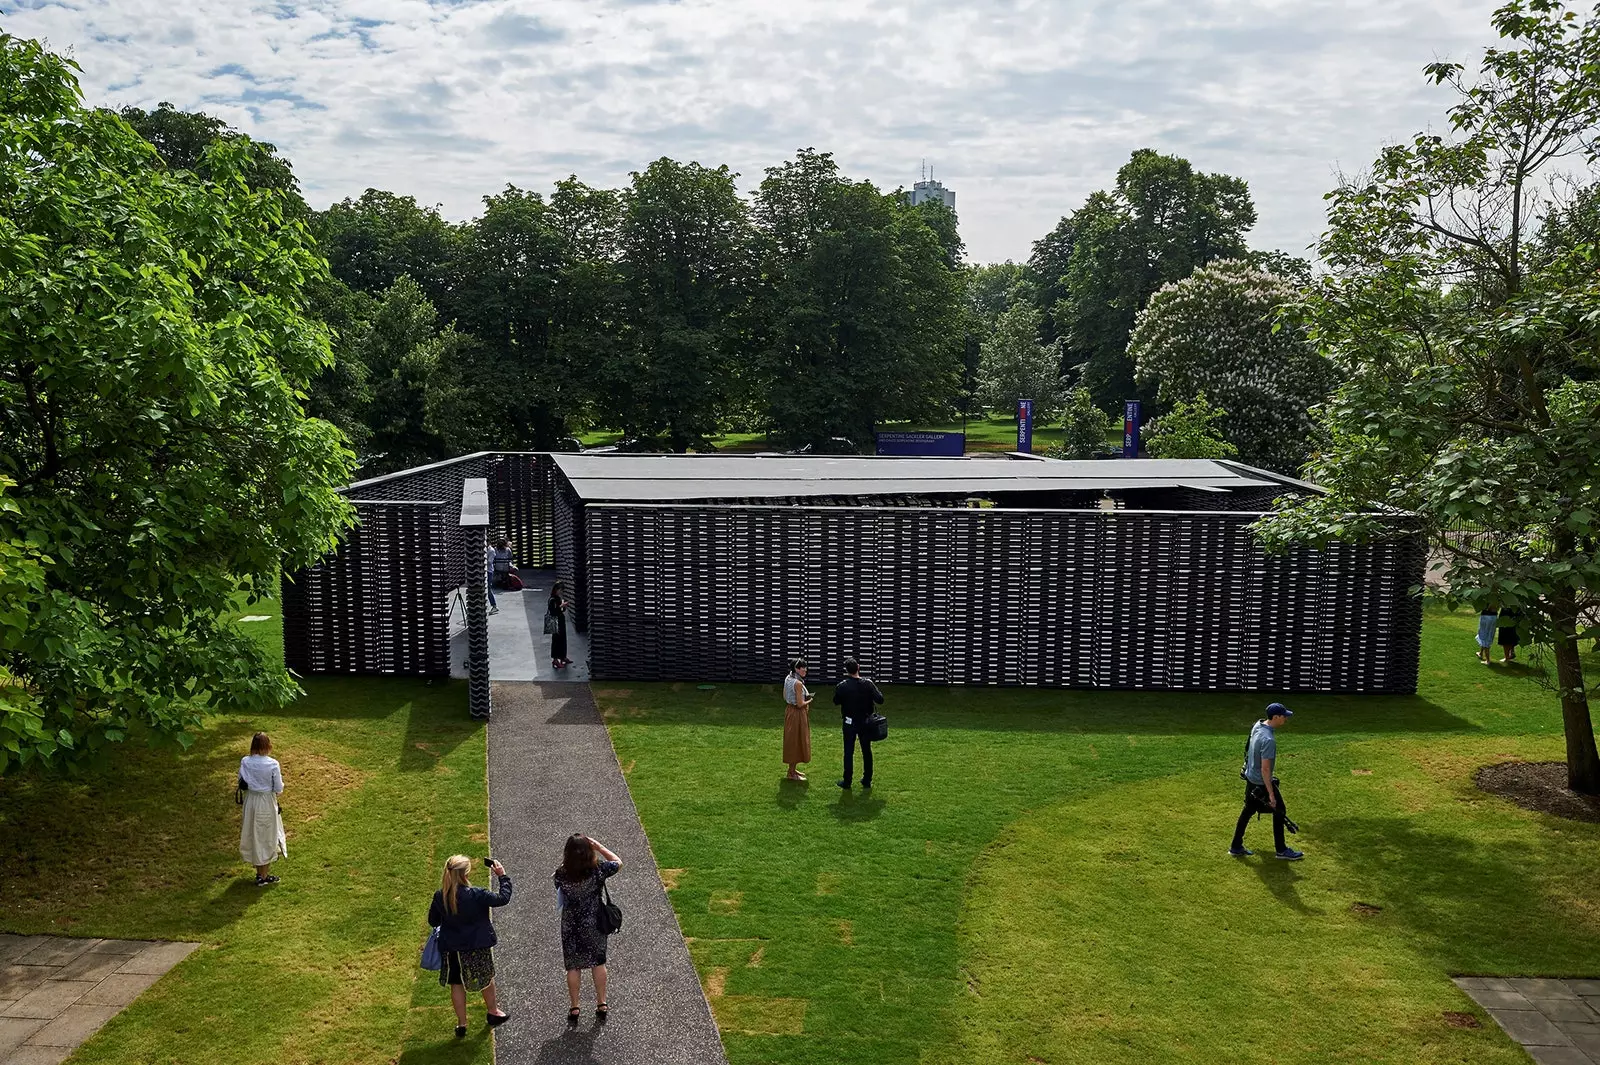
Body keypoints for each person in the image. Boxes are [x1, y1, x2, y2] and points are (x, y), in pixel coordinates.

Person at [427, 855, 513, 1038]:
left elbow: (433, 920)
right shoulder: (477, 894)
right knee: (486, 978)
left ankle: (462, 1023)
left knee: (456, 983)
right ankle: (493, 1012)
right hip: (477, 946)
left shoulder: (440, 896)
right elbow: (503, 898)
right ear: (466, 873)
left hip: (452, 948)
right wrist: (502, 876)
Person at [554, 834, 623, 1025]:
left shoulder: (561, 874)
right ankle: (601, 1003)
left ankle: (575, 1007)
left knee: (573, 966)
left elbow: (560, 891)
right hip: (594, 921)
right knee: (598, 962)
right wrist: (599, 846)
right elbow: (618, 862)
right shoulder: (598, 870)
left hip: (570, 924)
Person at [1229, 703, 1303, 861]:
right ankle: (1281, 850)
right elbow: (1265, 770)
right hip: (1260, 783)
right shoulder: (1269, 740)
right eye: (1284, 716)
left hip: (1250, 779)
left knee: (1247, 811)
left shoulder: (1258, 725)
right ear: (1276, 717)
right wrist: (1271, 795)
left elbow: (1249, 747)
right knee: (1279, 810)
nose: (1286, 719)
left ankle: (1235, 846)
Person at [238, 732, 287, 886]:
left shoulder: (246, 761)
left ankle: (261, 873)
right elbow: (278, 787)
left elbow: (242, 781)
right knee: (266, 836)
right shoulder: (272, 764)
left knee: (254, 834)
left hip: (250, 801)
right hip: (265, 801)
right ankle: (263, 876)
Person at [833, 658, 883, 789]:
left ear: (846, 671)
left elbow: (836, 701)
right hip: (866, 722)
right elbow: (880, 699)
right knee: (867, 750)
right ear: (858, 667)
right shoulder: (868, 684)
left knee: (848, 752)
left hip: (849, 722)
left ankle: (847, 781)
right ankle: (867, 779)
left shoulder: (842, 686)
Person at [782, 659, 812, 781]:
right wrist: (809, 700)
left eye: (805, 667)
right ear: (796, 669)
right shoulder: (798, 684)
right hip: (797, 714)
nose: (804, 670)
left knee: (793, 740)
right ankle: (791, 773)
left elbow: (784, 696)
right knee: (796, 741)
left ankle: (792, 769)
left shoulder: (788, 679)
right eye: (801, 668)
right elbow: (800, 704)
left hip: (790, 711)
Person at [549, 581, 571, 669]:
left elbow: (562, 610)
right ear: (556, 589)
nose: (561, 592)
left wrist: (563, 606)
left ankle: (562, 657)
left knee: (562, 639)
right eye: (560, 590)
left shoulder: (558, 598)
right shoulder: (552, 599)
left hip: (560, 620)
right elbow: (553, 611)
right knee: (556, 640)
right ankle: (555, 659)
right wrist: (561, 606)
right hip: (555, 621)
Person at [485, 540, 498, 616]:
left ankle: (494, 605)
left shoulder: (491, 550)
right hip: (484, 571)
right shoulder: (486, 549)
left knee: (489, 589)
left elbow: (489, 562)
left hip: (489, 571)